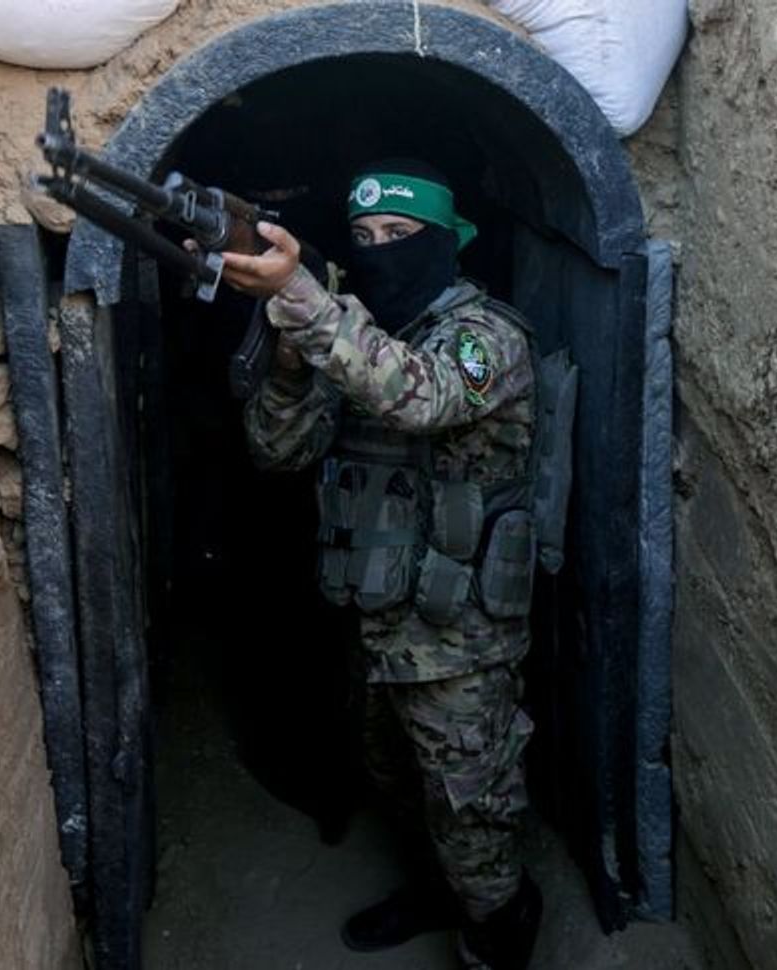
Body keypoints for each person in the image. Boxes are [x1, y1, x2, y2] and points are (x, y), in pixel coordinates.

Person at [218, 159, 543, 970]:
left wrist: (305, 302)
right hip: (375, 616)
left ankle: (498, 928)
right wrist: (293, 364)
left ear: (445, 242)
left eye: (399, 236)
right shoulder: (353, 338)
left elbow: (422, 398)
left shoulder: (485, 337)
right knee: (394, 777)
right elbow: (277, 451)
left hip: (461, 633)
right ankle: (440, 893)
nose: (379, 251)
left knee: (471, 803)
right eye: (363, 238)